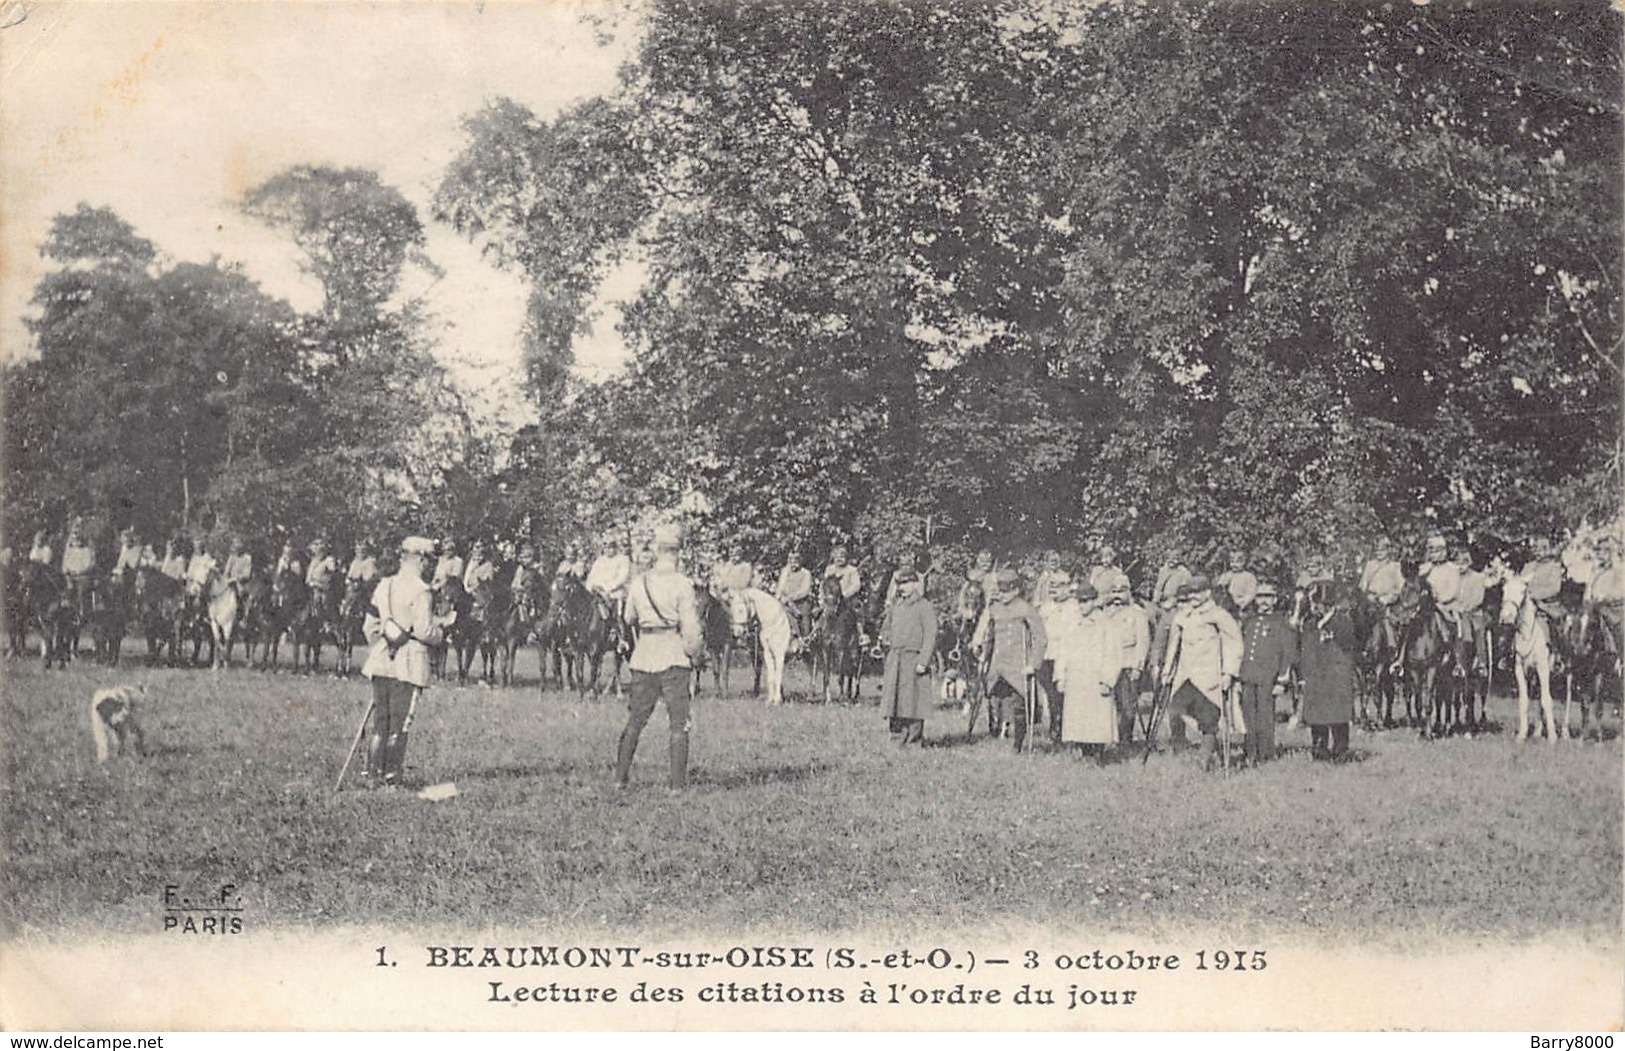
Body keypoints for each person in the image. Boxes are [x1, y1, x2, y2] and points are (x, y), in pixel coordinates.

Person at [359, 536, 452, 788]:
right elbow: (423, 630)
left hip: (380, 661)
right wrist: (442, 632)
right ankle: (391, 777)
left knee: (381, 719)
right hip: (409, 664)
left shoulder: (384, 585)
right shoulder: (422, 591)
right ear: (420, 560)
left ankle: (371, 774)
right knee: (400, 721)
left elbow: (369, 626)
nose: (430, 566)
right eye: (429, 560)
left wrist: (383, 645)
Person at [616, 524, 704, 791]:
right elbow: (691, 628)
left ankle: (620, 779)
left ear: (656, 551)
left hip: (644, 655)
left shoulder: (639, 582)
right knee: (679, 723)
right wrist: (695, 654)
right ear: (678, 553)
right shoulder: (683, 584)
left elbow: (629, 617)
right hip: (673, 654)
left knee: (635, 720)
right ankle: (676, 786)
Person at [1159, 574, 1243, 770]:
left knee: (1209, 717)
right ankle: (1204, 746)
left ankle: (1204, 757)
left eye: (1198, 592)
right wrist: (1167, 669)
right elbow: (1174, 644)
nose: (1194, 596)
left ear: (1207, 593)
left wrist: (1229, 673)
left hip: (1209, 676)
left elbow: (1234, 643)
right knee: (1176, 708)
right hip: (1186, 675)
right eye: (1191, 593)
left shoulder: (1218, 615)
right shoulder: (1184, 615)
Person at [973, 568, 1047, 751]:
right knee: (995, 700)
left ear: (1016, 589)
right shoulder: (995, 608)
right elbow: (990, 634)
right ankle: (996, 732)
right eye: (1001, 590)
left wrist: (1033, 663)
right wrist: (981, 649)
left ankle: (1018, 744)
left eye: (1007, 591)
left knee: (1019, 706)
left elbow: (1040, 638)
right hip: (998, 664)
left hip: (1018, 665)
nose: (1003, 595)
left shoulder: (1025, 609)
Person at [1054, 579, 1116, 760]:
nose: (1083, 605)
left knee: (1097, 716)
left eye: (1087, 601)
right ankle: (1082, 749)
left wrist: (1108, 679)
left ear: (1095, 601)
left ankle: (1098, 752)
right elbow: (1063, 650)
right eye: (1080, 601)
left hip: (1097, 677)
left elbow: (1112, 652)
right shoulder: (1071, 623)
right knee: (1078, 715)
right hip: (1076, 677)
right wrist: (1060, 676)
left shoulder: (1105, 623)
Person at [1297, 579, 1357, 761]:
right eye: (1314, 603)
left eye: (1318, 603)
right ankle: (1319, 748)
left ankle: (1340, 749)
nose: (1315, 607)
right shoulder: (1309, 623)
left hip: (1337, 675)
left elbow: (1348, 646)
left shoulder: (1342, 622)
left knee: (1338, 714)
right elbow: (1306, 649)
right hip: (1316, 674)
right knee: (1317, 714)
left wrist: (1327, 630)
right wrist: (1304, 674)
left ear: (1328, 604)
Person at [1236, 581, 1294, 767]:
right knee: (1248, 716)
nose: (1263, 601)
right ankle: (1250, 751)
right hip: (1248, 676)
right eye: (1260, 596)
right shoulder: (1249, 621)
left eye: (1268, 596)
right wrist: (1238, 676)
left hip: (1268, 678)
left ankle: (1266, 754)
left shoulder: (1281, 623)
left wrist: (1282, 680)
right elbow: (1242, 650)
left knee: (1265, 716)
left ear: (1275, 600)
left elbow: (1288, 653)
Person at [878, 568, 937, 745]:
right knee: (894, 699)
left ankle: (913, 739)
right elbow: (886, 627)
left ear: (915, 584)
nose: (901, 588)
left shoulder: (924, 606)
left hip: (914, 659)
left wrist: (924, 661)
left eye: (905, 583)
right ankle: (896, 737)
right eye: (899, 584)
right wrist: (884, 639)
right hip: (895, 659)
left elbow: (931, 635)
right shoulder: (896, 606)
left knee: (914, 701)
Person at [1098, 569, 1152, 750]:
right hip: (1109, 666)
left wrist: (1138, 667)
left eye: (1121, 591)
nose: (1117, 595)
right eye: (1114, 591)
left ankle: (1125, 741)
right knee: (1109, 706)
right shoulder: (1106, 614)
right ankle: (1109, 739)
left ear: (1129, 592)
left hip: (1128, 664)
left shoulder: (1137, 613)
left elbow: (1143, 642)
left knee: (1128, 707)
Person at [775, 550, 814, 639]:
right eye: (790, 561)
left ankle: (805, 638)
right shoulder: (785, 572)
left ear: (800, 561)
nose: (793, 564)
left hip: (801, 602)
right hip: (786, 603)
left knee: (805, 616)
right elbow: (780, 587)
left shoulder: (805, 573)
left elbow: (805, 590)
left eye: (796, 561)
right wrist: (779, 597)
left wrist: (792, 597)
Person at [1215, 549, 1258, 618]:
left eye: (1238, 562)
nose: (1234, 565)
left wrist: (1242, 602)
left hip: (1243, 607)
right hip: (1228, 606)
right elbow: (1220, 591)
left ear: (1244, 562)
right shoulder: (1226, 575)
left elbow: (1251, 593)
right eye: (1232, 561)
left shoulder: (1249, 576)